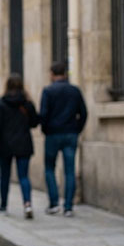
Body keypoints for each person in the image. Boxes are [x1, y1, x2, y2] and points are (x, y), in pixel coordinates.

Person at [0, 74, 39, 219]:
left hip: (5, 144)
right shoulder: (27, 103)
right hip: (23, 143)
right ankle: (27, 204)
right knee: (23, 176)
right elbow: (35, 123)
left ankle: (3, 205)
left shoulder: (2, 102)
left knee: (5, 176)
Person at [39, 61, 87, 217]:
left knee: (49, 168)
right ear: (65, 74)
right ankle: (68, 206)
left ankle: (54, 203)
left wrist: (46, 130)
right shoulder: (74, 91)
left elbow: (43, 115)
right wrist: (76, 129)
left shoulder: (48, 91)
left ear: (52, 74)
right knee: (70, 171)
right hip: (70, 134)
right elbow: (84, 113)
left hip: (53, 134)